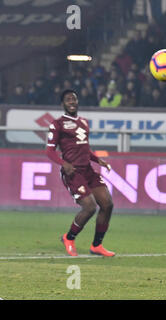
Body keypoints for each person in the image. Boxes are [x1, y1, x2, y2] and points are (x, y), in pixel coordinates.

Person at [46, 89, 116, 257]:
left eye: (74, 99)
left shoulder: (84, 122)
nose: (72, 102)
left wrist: (97, 159)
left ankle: (97, 246)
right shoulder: (57, 124)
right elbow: (49, 151)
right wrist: (64, 164)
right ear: (62, 104)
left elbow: (84, 147)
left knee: (107, 205)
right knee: (90, 207)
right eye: (68, 99)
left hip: (88, 170)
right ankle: (69, 238)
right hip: (73, 172)